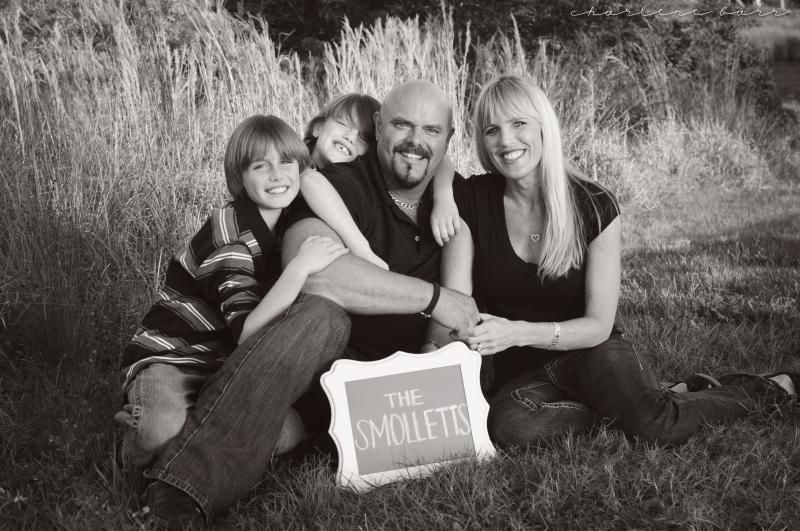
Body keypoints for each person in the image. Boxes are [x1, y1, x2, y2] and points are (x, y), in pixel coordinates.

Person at [142, 80, 480, 527]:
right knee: (322, 314)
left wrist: (435, 349)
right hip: (319, 368)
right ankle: (184, 487)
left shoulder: (454, 202)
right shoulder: (340, 183)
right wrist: (435, 300)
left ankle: (221, 424)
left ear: (448, 138)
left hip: (389, 395)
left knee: (277, 429)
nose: (415, 140)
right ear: (378, 127)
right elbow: (319, 275)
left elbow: (461, 301)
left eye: (431, 131)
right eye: (401, 124)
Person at [427, 74, 797, 447]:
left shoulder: (593, 204)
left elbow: (599, 325)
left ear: (543, 127)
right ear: (482, 140)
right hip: (524, 378)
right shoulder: (471, 200)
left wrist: (516, 331)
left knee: (656, 428)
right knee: (510, 426)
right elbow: (438, 161)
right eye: (492, 130)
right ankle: (640, 404)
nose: (506, 141)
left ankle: (768, 389)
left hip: (591, 351)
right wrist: (443, 194)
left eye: (519, 123)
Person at [115, 115, 351, 513]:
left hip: (224, 371)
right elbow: (248, 332)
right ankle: (138, 432)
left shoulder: (284, 219)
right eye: (261, 166)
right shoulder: (231, 234)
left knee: (289, 432)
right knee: (159, 432)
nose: (277, 175)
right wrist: (300, 267)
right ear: (240, 177)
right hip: (174, 358)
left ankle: (198, 433)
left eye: (286, 163)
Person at [299, 92, 463, 276]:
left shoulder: (351, 179)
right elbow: (309, 180)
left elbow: (442, 159)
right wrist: (363, 250)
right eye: (342, 123)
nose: (349, 137)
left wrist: (444, 197)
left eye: (362, 137)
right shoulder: (292, 164)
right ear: (318, 128)